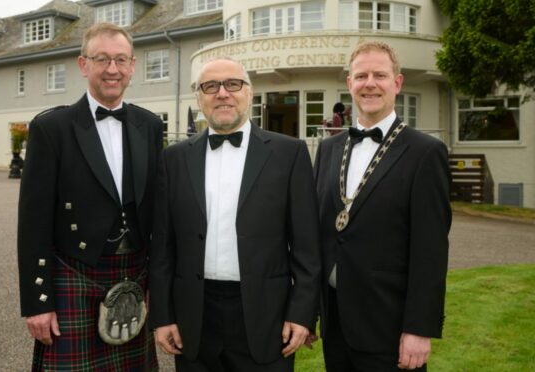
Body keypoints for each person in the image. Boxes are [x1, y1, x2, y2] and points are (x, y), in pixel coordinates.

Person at [149, 57, 321, 372]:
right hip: (194, 318)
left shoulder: (290, 154)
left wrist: (302, 313)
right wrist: (163, 316)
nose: (223, 93)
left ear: (249, 93)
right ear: (198, 97)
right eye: (210, 86)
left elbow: (307, 247)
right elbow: (163, 247)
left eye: (233, 84)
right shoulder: (172, 159)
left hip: (267, 316)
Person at [17, 22, 162, 371]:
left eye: (120, 60)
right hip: (75, 273)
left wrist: (158, 282)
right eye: (102, 59)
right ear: (84, 65)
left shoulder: (150, 125)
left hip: (135, 274)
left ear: (132, 66)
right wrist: (38, 303)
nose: (112, 70)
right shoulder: (51, 129)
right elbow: (33, 223)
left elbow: (158, 211)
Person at [314, 41, 451, 371]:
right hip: (335, 324)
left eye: (380, 75)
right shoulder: (328, 149)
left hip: (389, 327)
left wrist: (419, 328)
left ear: (397, 83)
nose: (370, 83)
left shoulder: (425, 153)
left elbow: (430, 249)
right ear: (349, 84)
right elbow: (319, 233)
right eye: (361, 76)